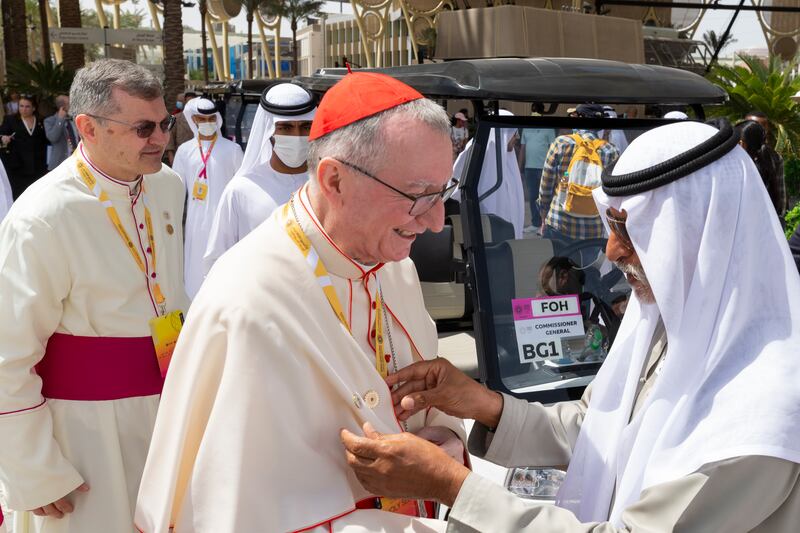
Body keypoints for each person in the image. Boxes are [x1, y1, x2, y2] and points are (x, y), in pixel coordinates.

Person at [341, 120, 800, 531]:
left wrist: (453, 487)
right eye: (612, 224)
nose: (614, 251)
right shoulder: (671, 325)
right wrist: (481, 404)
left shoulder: (762, 416)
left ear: (703, 236)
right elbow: (594, 429)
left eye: (631, 229)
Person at [135, 72, 466, 533]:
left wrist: (447, 439)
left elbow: (427, 390)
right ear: (335, 180)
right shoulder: (249, 301)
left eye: (443, 193)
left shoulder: (394, 264)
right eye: (418, 197)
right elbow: (239, 509)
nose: (434, 222)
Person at [0, 59, 189, 533]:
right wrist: (35, 471)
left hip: (167, 414)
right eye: (143, 128)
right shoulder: (42, 216)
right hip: (84, 436)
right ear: (87, 127)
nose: (161, 139)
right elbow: (7, 353)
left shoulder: (167, 186)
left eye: (165, 123)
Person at [202, 82, 316, 272]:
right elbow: (216, 262)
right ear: (270, 132)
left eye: (305, 127)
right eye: (285, 128)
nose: (297, 136)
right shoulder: (241, 190)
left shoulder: (330, 185)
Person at [172, 97, 243, 298]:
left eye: (211, 118)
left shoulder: (232, 150)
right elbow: (176, 189)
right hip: (195, 226)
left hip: (225, 224)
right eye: (202, 119)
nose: (207, 123)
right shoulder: (185, 151)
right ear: (194, 120)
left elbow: (242, 188)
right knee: (195, 275)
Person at [538, 103, 619, 249]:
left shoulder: (561, 143)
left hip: (559, 223)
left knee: (556, 268)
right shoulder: (611, 150)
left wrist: (543, 216)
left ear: (579, 118)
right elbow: (612, 194)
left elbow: (546, 184)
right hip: (593, 229)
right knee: (586, 271)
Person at [452, 110, 526, 238]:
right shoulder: (476, 148)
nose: (517, 137)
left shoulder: (509, 155)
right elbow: (455, 188)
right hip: (484, 228)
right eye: (514, 133)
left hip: (508, 232)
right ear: (501, 132)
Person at [0, 95, 49, 199]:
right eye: (21, 106)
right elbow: (1, 135)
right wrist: (3, 138)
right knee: (19, 196)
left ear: (33, 108)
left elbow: (47, 141)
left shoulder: (41, 121)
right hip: (18, 167)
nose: (23, 109)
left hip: (38, 166)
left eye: (27, 106)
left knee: (37, 196)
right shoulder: (10, 120)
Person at [519, 103, 556, 234]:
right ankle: (536, 223)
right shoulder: (527, 127)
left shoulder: (548, 127)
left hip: (544, 168)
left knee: (545, 197)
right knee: (533, 196)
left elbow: (553, 148)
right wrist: (520, 167)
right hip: (529, 168)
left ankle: (546, 225)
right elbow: (523, 148)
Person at [744, 111, 787, 220]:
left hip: (766, 218)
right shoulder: (734, 157)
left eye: (762, 128)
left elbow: (780, 190)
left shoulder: (775, 158)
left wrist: (779, 217)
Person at [44, 94, 81, 170]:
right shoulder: (49, 121)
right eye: (70, 103)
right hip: (60, 163)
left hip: (77, 162)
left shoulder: (74, 119)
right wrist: (60, 119)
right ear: (63, 107)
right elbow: (53, 138)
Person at [164, 92, 197, 165]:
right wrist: (171, 158)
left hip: (196, 156)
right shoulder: (175, 118)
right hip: (179, 157)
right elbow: (170, 139)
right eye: (189, 102)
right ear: (185, 102)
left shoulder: (201, 119)